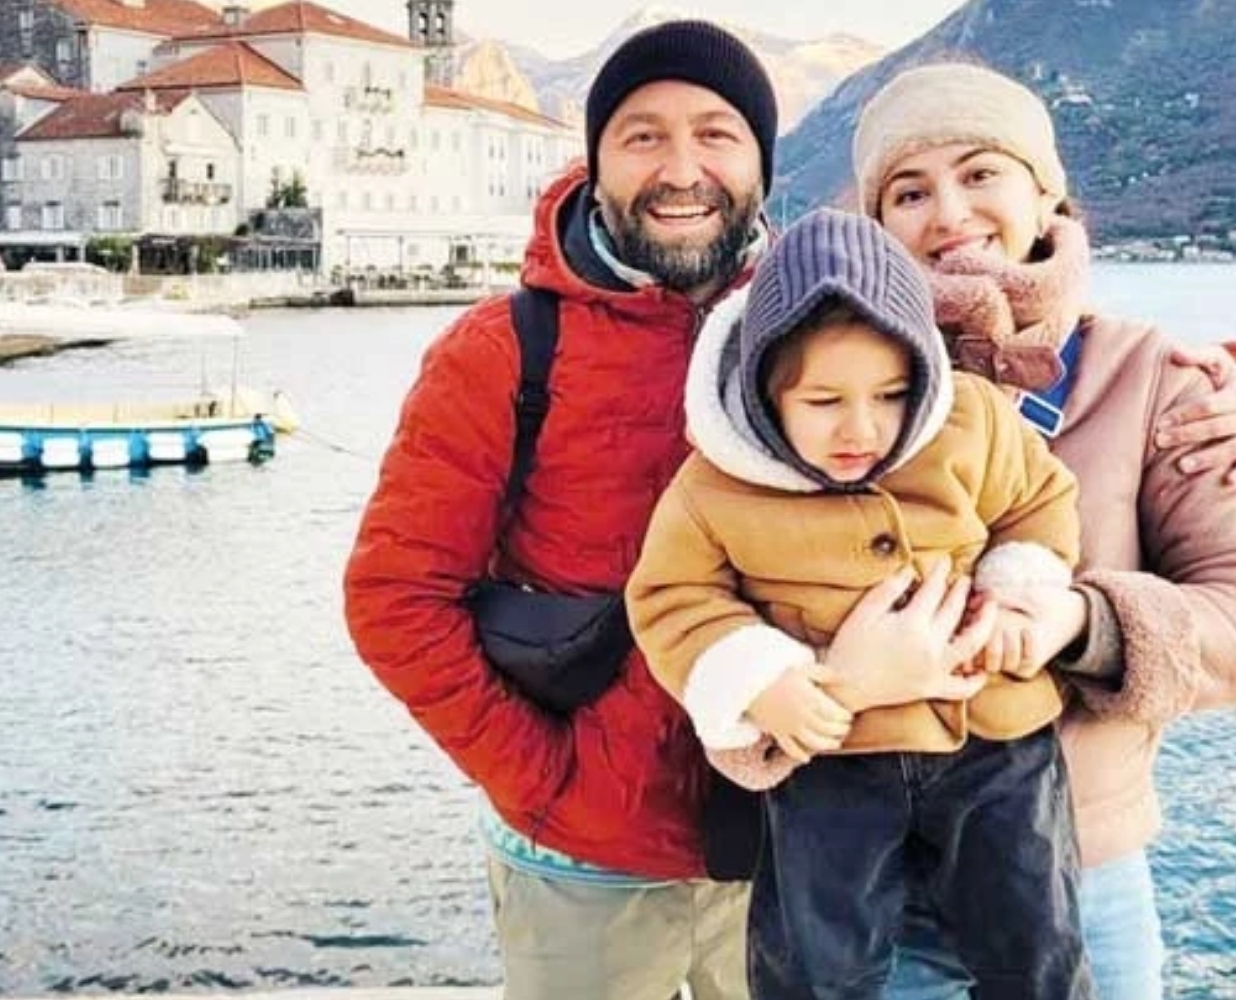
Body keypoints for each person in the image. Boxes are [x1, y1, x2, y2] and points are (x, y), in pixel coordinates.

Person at [344, 19, 788, 1000]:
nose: (682, 170)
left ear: (762, 161)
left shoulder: (820, 330)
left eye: (716, 134)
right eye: (643, 136)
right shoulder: (502, 352)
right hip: (580, 868)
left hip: (790, 850)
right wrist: (546, 781)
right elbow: (393, 598)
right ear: (596, 161)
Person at [829, 62, 1236, 1000]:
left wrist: (1088, 625)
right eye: (909, 191)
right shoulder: (827, 383)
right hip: (874, 884)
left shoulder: (1152, 378)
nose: (948, 213)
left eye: (981, 173)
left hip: (1081, 871)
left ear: (1046, 191)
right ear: (877, 224)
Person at [628, 208, 1092, 1000]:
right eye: (823, 401)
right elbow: (672, 597)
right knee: (814, 965)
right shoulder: (713, 487)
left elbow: (1040, 501)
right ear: (765, 391)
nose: (861, 428)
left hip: (995, 742)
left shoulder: (973, 420)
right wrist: (760, 679)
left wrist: (1021, 595)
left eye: (891, 394)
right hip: (833, 758)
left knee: (1036, 944)